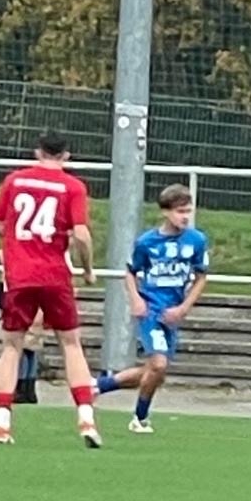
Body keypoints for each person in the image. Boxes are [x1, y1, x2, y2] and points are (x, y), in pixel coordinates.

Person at [0, 131, 101, 448]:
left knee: (12, 346)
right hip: (55, 275)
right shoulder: (73, 186)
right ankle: (86, 418)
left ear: (38, 152)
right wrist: (88, 270)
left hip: (19, 275)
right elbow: (81, 235)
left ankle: (2, 424)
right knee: (71, 344)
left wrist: (17, 240)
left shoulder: (15, 181)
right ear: (66, 155)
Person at [95, 185, 210, 433]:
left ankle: (98, 386)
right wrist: (136, 299)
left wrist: (183, 307)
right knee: (158, 365)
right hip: (151, 311)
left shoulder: (196, 240)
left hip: (172, 313)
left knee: (155, 372)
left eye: (188, 211)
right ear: (165, 212)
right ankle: (140, 418)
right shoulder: (147, 242)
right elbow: (130, 272)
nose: (185, 217)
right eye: (180, 211)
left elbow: (201, 277)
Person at [0, 249, 43, 403]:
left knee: (21, 345)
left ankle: (21, 386)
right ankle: (29, 388)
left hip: (21, 294)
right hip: (36, 295)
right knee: (31, 345)